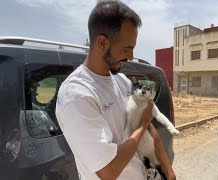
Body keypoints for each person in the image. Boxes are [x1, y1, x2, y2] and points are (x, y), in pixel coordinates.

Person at [55, 1, 176, 180]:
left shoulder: (122, 81)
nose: (131, 57)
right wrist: (142, 125)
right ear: (102, 42)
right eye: (127, 49)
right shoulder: (76, 95)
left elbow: (151, 130)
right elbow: (108, 172)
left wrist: (170, 173)